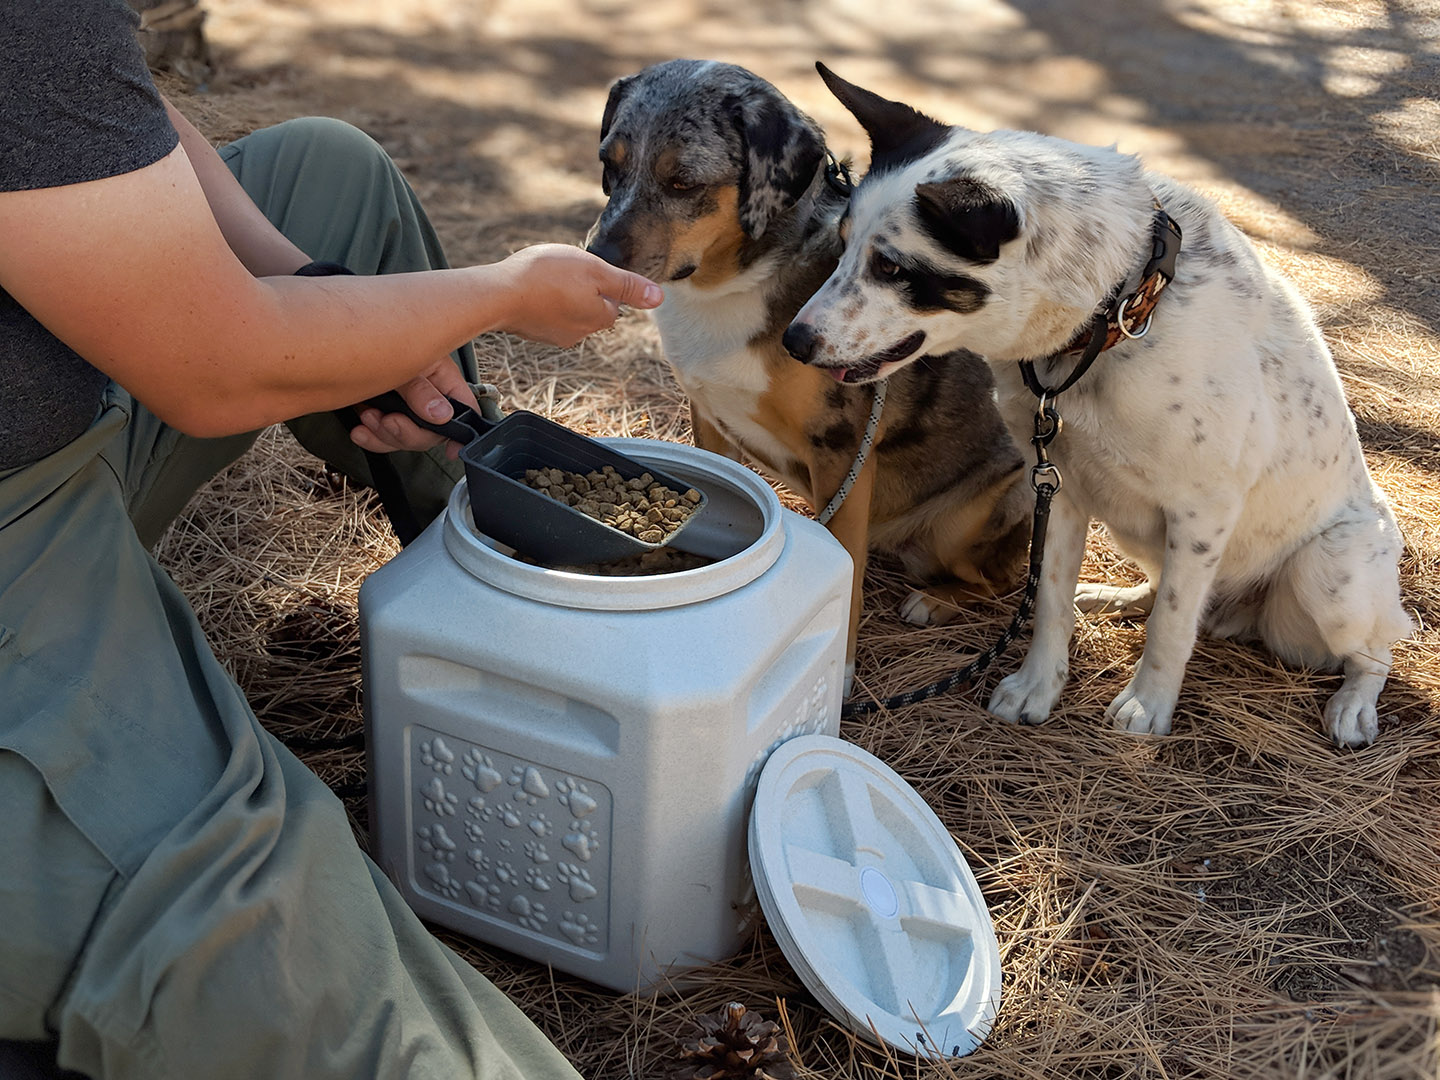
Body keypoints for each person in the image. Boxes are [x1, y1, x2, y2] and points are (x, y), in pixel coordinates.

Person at [0, 2, 663, 1078]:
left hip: (70, 415)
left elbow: (118, 110)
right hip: (18, 534)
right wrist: (492, 296)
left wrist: (322, 298)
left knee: (328, 173)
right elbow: (216, 367)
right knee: (319, 997)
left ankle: (492, 595)